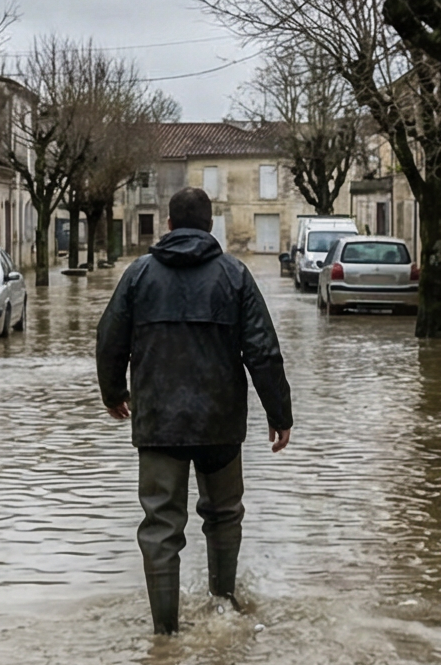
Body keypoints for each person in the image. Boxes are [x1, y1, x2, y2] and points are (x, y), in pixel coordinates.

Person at [95, 186, 293, 634]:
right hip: (220, 424)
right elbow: (262, 351)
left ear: (167, 225)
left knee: (161, 524)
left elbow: (109, 340)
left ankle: (164, 633)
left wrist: (113, 394)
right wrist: (280, 415)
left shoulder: (138, 275)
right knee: (224, 516)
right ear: (210, 226)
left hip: (158, 423)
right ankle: (223, 606)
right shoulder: (235, 276)